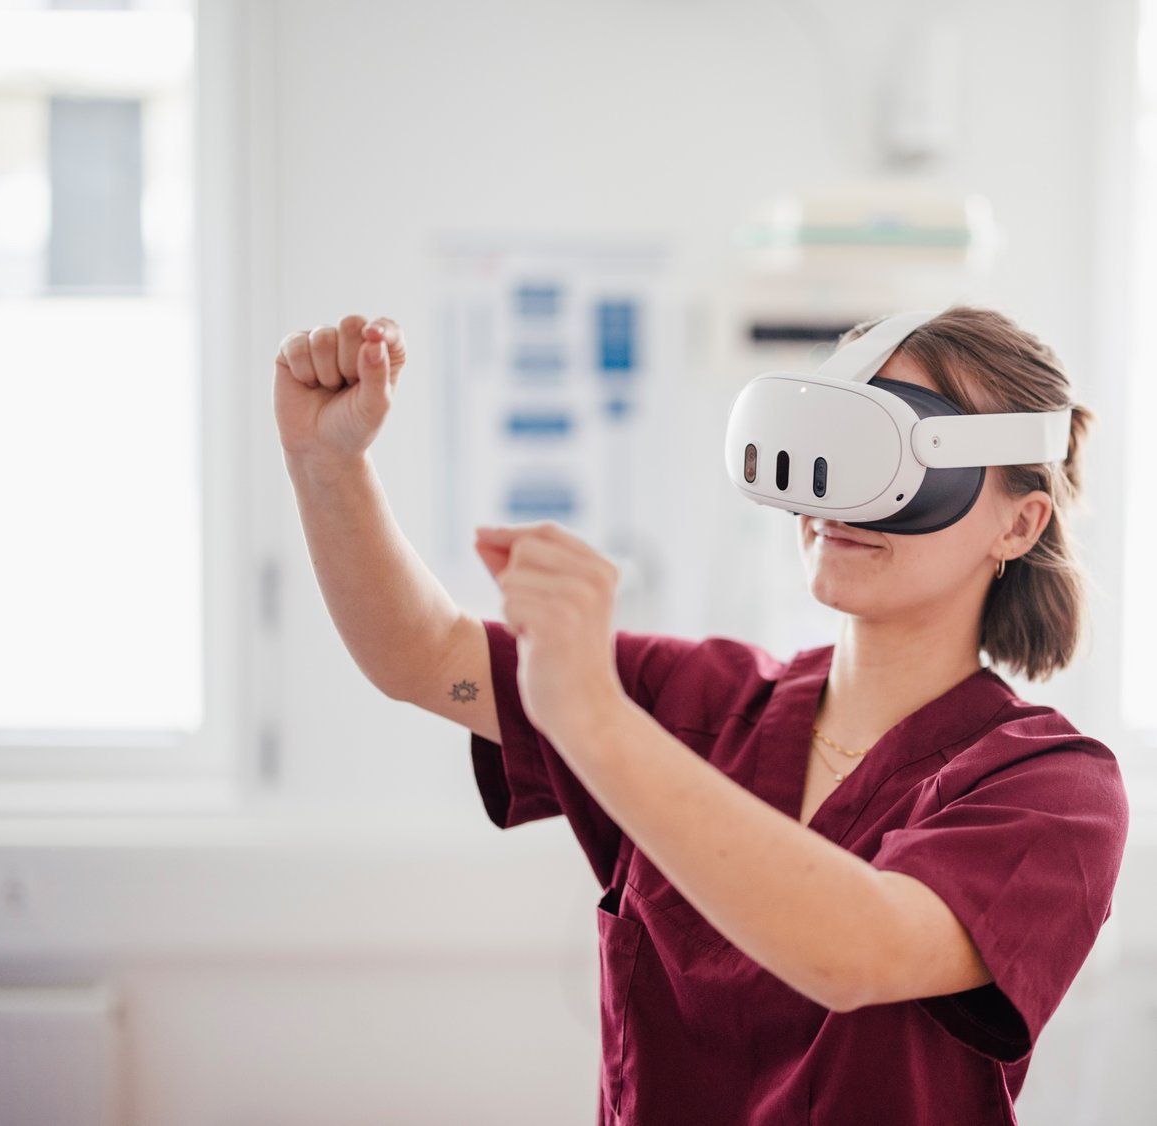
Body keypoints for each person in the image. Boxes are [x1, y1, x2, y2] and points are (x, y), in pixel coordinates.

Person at [273, 307, 1127, 1125]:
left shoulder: (1052, 788)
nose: (842, 502)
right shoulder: (699, 701)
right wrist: (326, 466)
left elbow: (852, 949)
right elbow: (421, 656)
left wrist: (599, 724)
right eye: (837, 448)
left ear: (1019, 523)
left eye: (898, 460)